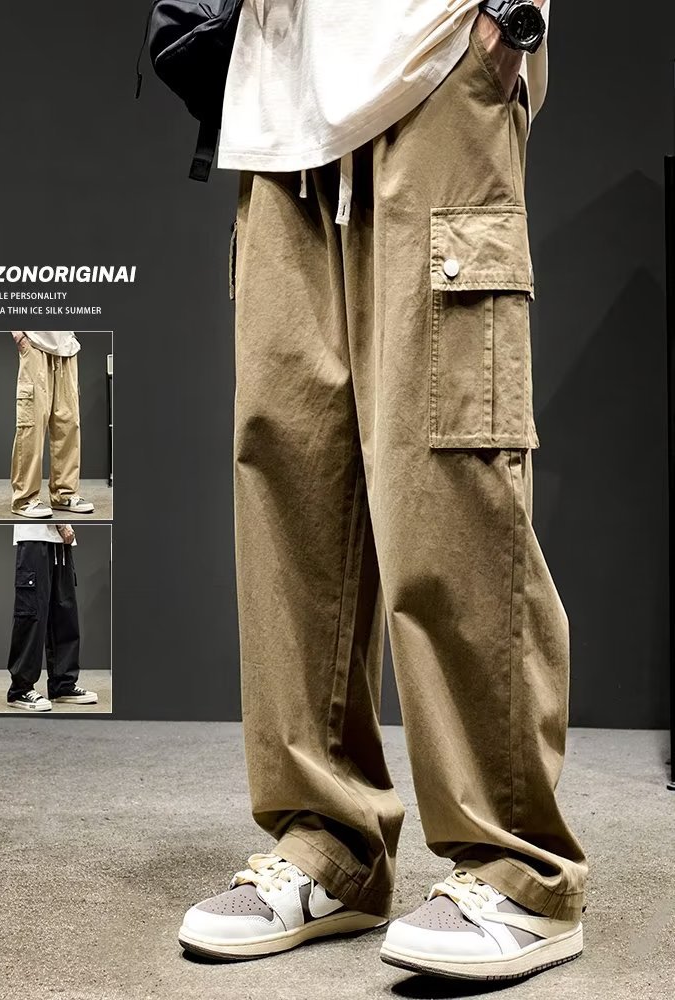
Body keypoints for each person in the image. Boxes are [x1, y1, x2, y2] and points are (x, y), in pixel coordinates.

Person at [179, 0, 588, 982]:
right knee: (290, 483)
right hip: (279, 98)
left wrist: (511, 17)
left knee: (448, 480)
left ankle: (519, 868)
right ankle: (330, 845)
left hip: (434, 56)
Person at [6, 522, 97, 711]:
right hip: (35, 536)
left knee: (64, 614)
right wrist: (62, 524)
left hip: (61, 542)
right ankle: (20, 689)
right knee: (32, 613)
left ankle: (62, 685)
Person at [10, 330, 95, 518]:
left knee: (68, 424)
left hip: (67, 348)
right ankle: (24, 499)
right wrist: (18, 334)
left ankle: (64, 494)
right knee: (32, 423)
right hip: (34, 342)